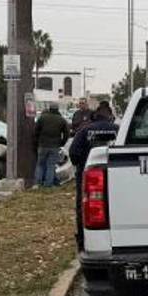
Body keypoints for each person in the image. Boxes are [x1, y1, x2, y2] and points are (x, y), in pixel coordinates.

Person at [69, 102, 119, 249]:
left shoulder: (85, 131)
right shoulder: (118, 130)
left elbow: (73, 154)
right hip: (114, 176)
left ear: (95, 116)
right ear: (110, 116)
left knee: (84, 208)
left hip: (86, 176)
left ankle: (83, 241)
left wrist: (82, 165)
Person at [33, 105, 70, 187]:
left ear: (50, 109)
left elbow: (35, 131)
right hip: (54, 146)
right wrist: (62, 143)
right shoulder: (61, 120)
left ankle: (38, 183)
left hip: (42, 145)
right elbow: (67, 133)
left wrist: (37, 142)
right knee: (51, 165)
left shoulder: (42, 118)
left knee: (40, 164)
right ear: (57, 110)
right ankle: (48, 184)